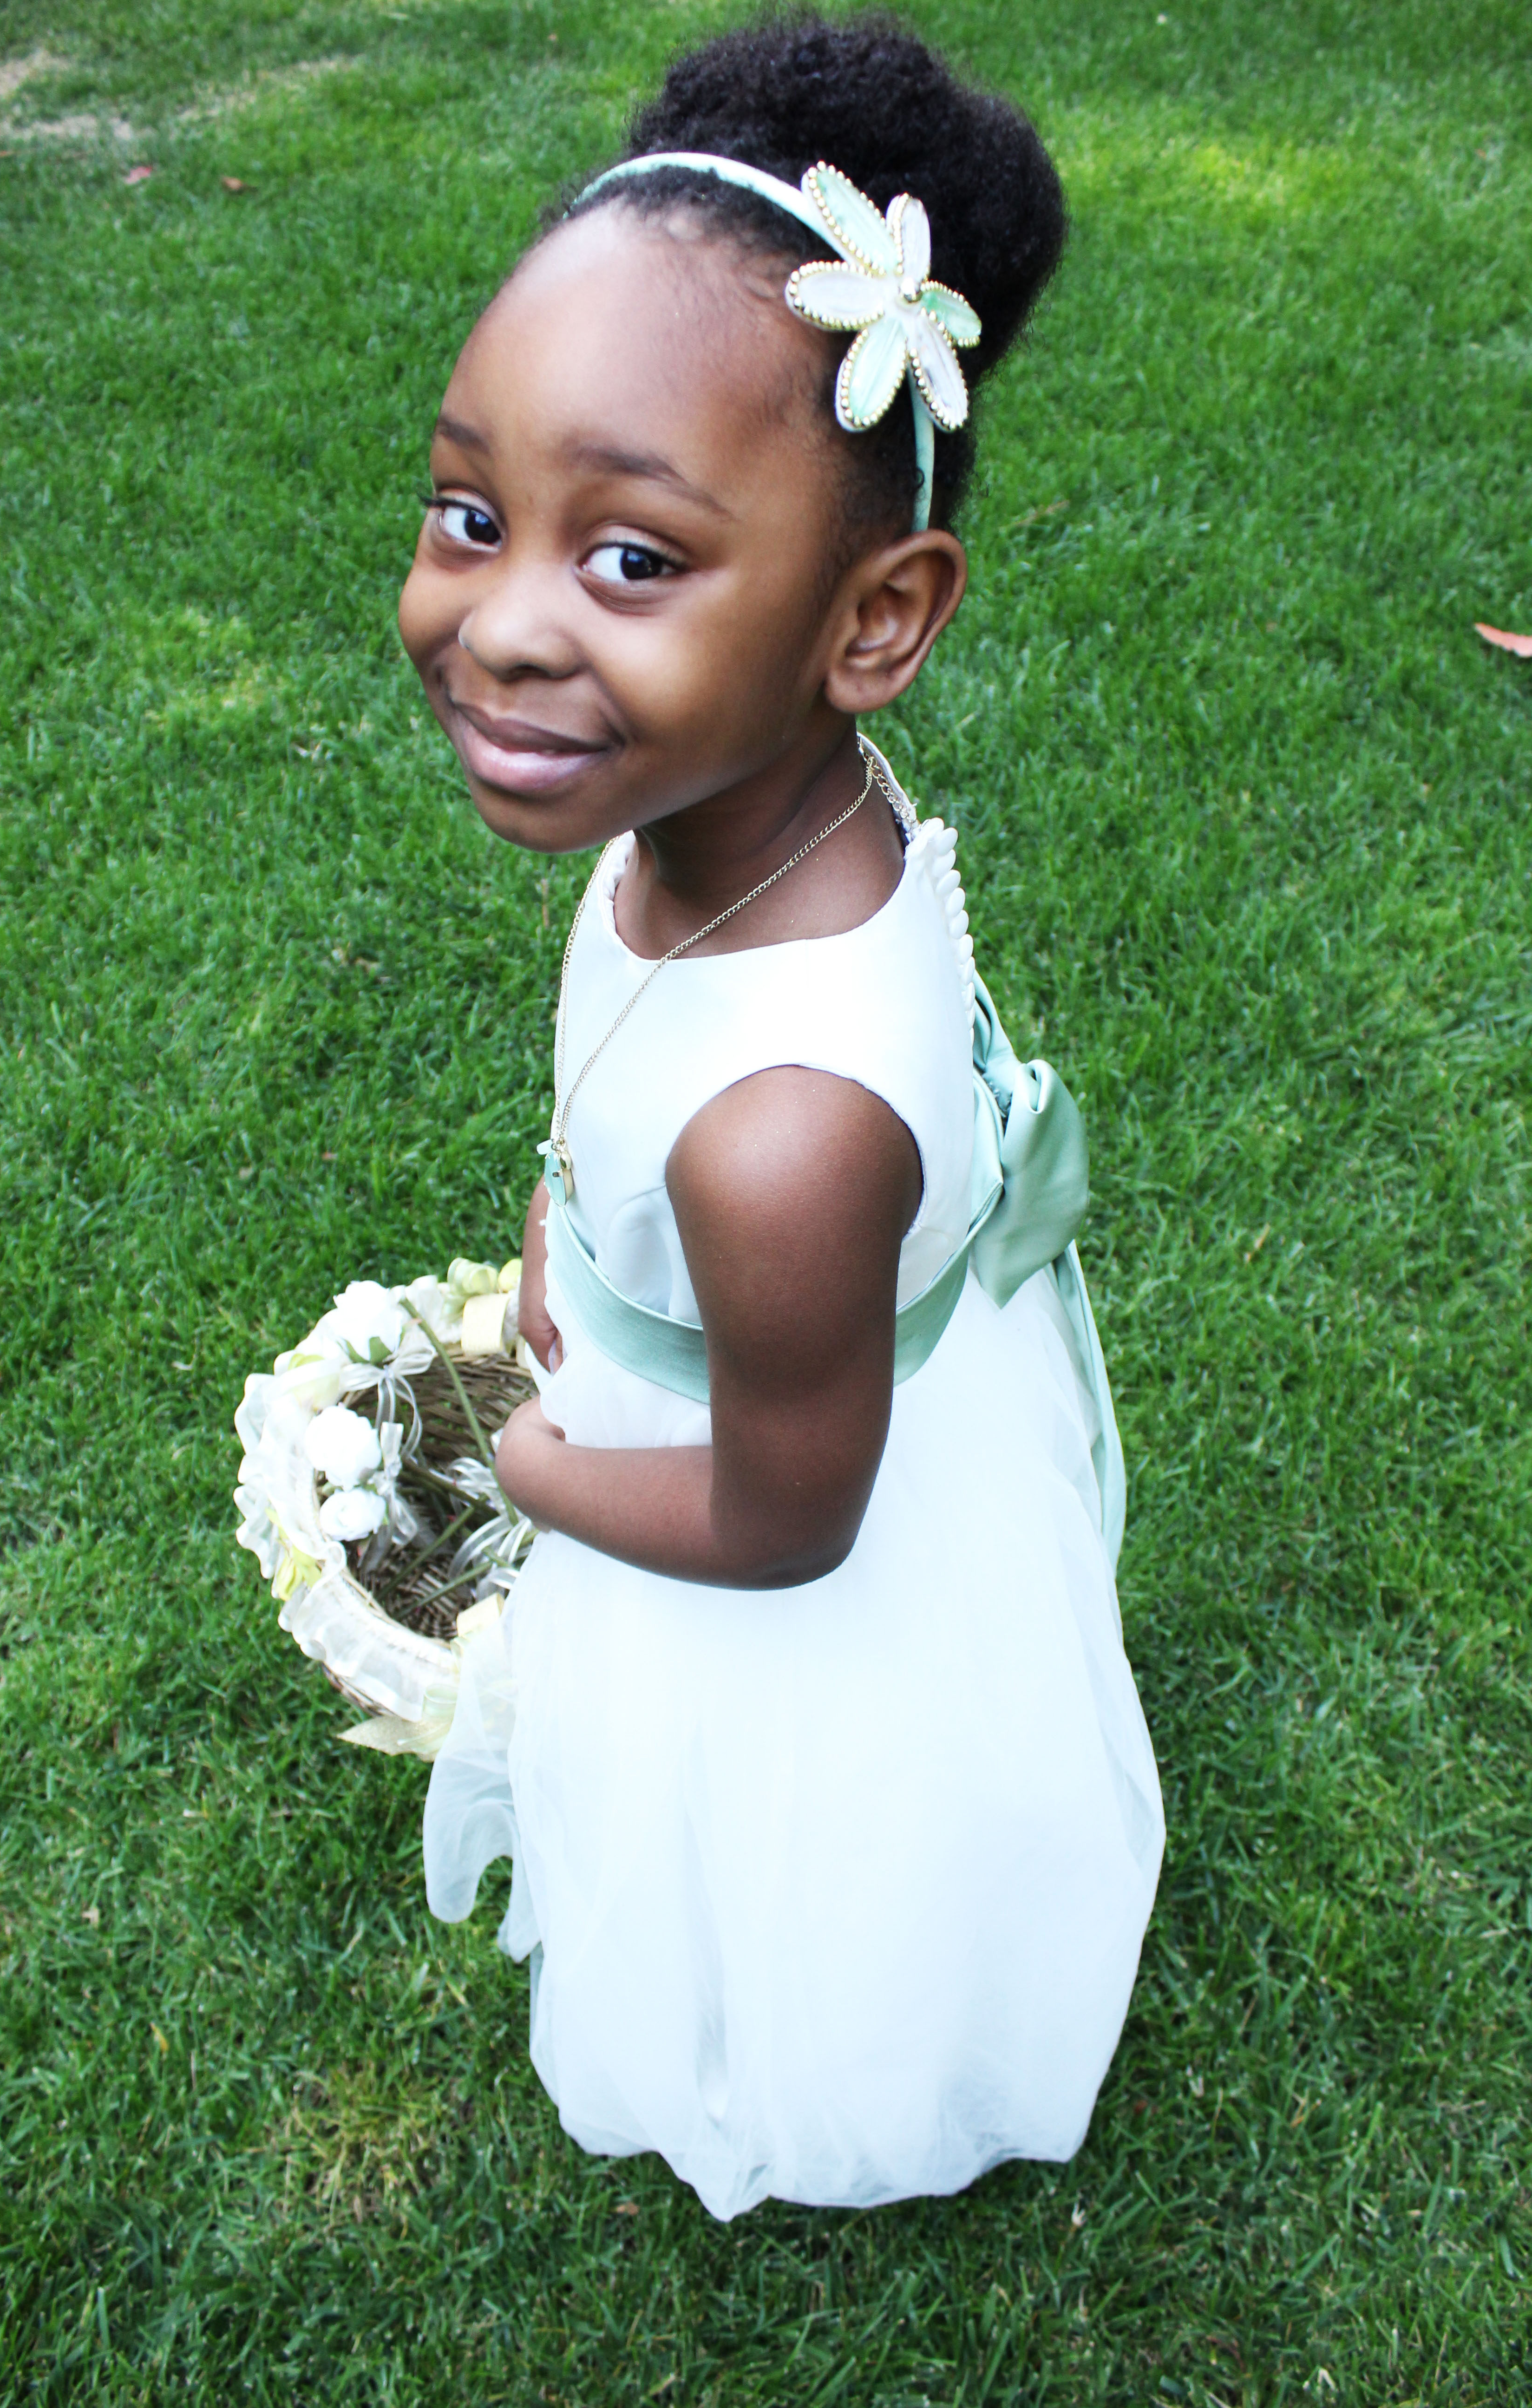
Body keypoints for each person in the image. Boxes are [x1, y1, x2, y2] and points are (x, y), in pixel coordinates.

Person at [399, 12, 1164, 2222]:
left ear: (875, 619)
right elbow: (621, 1068)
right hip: (753, 1364)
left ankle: (823, 2050)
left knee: (802, 1816)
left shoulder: (789, 1136)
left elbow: (786, 1525)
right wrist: (565, 1228)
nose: (501, 626)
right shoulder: (725, 821)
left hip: (777, 1514)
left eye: (633, 559)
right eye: (473, 514)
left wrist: (540, 1468)